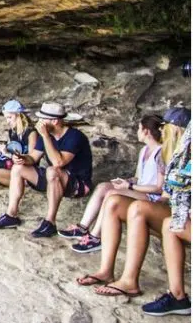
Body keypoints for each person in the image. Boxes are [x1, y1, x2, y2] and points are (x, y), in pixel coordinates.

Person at [76, 120, 190, 298]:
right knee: (113, 201)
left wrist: (134, 190)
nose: (162, 132)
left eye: (166, 128)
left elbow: (162, 190)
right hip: (171, 208)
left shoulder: (174, 153)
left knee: (138, 207)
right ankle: (106, 270)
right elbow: (166, 194)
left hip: (180, 214)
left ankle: (129, 281)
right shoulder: (173, 155)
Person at [59, 115, 166, 253]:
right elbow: (138, 177)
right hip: (139, 190)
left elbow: (159, 188)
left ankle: (96, 237)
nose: (137, 132)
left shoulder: (161, 153)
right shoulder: (144, 150)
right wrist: (126, 181)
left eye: (139, 128)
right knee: (103, 187)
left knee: (112, 193)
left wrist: (130, 187)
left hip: (152, 197)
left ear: (146, 131)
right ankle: (82, 227)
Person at [0, 102, 92, 237]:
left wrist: (45, 136)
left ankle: (50, 223)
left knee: (52, 170)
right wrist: (23, 159)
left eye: (43, 119)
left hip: (78, 184)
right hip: (54, 181)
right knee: (18, 168)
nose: (39, 122)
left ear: (54, 121)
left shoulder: (74, 136)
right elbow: (33, 158)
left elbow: (58, 162)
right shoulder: (45, 135)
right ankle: (11, 215)